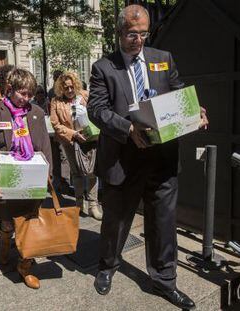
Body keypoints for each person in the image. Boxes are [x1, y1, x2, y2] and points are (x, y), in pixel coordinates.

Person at [88, 5, 208, 310]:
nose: (138, 40)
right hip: (123, 158)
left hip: (162, 158)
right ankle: (107, 266)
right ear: (118, 33)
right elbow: (97, 110)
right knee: (116, 221)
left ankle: (164, 281)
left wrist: (194, 110)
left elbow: (178, 92)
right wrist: (127, 128)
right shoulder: (104, 67)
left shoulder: (162, 59)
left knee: (163, 223)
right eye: (132, 34)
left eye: (143, 34)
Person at [0, 68, 52, 289]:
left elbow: (44, 144)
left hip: (31, 176)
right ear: (10, 89)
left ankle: (25, 265)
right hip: (6, 176)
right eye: (23, 93)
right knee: (7, 222)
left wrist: (48, 174)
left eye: (30, 94)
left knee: (29, 222)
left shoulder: (37, 112)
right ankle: (4, 242)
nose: (26, 99)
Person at [50, 71, 102, 220]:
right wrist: (73, 133)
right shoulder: (56, 102)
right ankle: (79, 204)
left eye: (72, 87)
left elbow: (97, 112)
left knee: (92, 172)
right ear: (61, 88)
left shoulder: (85, 95)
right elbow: (55, 124)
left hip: (90, 139)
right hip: (71, 141)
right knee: (76, 173)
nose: (70, 90)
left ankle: (93, 205)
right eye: (66, 88)